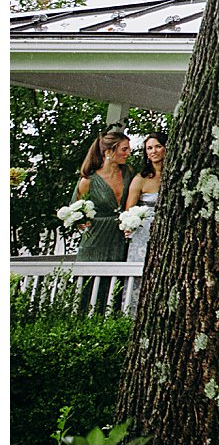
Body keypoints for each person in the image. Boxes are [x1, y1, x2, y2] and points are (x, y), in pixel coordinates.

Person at [73, 127, 132, 312]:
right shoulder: (88, 181)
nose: (128, 153)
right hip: (95, 242)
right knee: (89, 293)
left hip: (119, 241)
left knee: (114, 292)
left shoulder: (129, 173)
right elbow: (74, 212)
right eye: (124, 149)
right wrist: (81, 223)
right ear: (109, 152)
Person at [124, 130, 165, 317]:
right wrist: (128, 226)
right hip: (143, 233)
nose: (153, 151)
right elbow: (129, 210)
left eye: (158, 146)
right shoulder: (140, 179)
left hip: (166, 231)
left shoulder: (174, 175)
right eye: (149, 148)